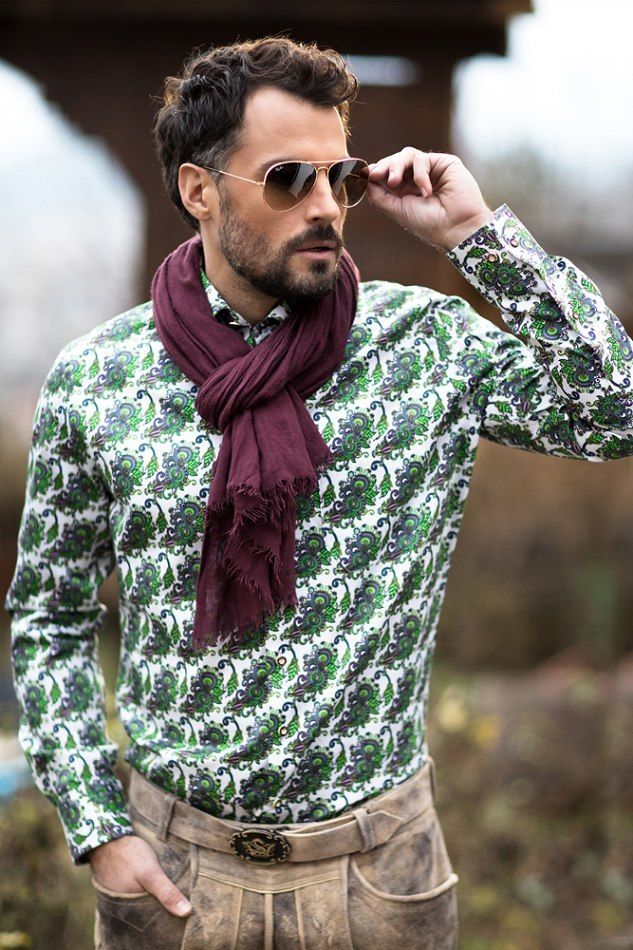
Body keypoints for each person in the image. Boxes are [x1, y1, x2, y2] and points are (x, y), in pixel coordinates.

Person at [5, 34, 633, 950]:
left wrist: (475, 237)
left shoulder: (422, 346)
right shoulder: (99, 382)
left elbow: (616, 410)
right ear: (198, 190)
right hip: (174, 876)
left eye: (340, 178)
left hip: (380, 879)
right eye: (289, 178)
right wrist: (98, 827)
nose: (325, 205)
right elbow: (48, 618)